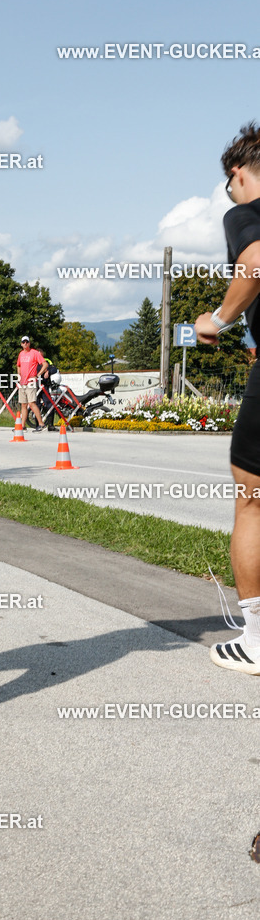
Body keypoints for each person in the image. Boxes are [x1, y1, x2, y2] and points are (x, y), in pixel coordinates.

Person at [195, 122, 260, 675]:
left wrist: (215, 319)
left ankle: (257, 638)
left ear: (238, 174)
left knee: (252, 495)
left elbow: (254, 266)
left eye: (229, 184)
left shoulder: (244, 212)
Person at [16, 336, 48, 431]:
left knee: (32, 403)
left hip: (31, 381)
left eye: (27, 342)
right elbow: (18, 365)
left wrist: (38, 375)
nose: (25, 343)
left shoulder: (34, 353)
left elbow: (45, 364)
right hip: (23, 382)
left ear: (29, 343)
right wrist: (19, 376)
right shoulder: (21, 354)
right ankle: (22, 426)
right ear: (21, 344)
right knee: (23, 404)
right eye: (23, 342)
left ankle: (41, 424)